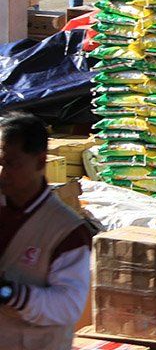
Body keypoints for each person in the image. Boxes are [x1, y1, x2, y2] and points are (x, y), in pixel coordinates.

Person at [0, 112, 93, 350]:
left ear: (40, 162)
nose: (2, 174)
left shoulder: (67, 231)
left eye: (10, 164)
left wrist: (10, 294)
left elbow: (68, 305)